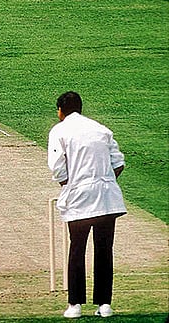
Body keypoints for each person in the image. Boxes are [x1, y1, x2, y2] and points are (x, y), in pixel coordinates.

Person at [47, 91, 126, 319]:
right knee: (104, 250)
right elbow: (118, 163)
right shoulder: (101, 129)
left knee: (77, 248)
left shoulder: (59, 130)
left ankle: (74, 304)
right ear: (80, 108)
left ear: (61, 111)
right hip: (107, 198)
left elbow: (57, 167)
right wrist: (104, 181)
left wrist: (71, 184)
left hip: (79, 198)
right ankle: (104, 305)